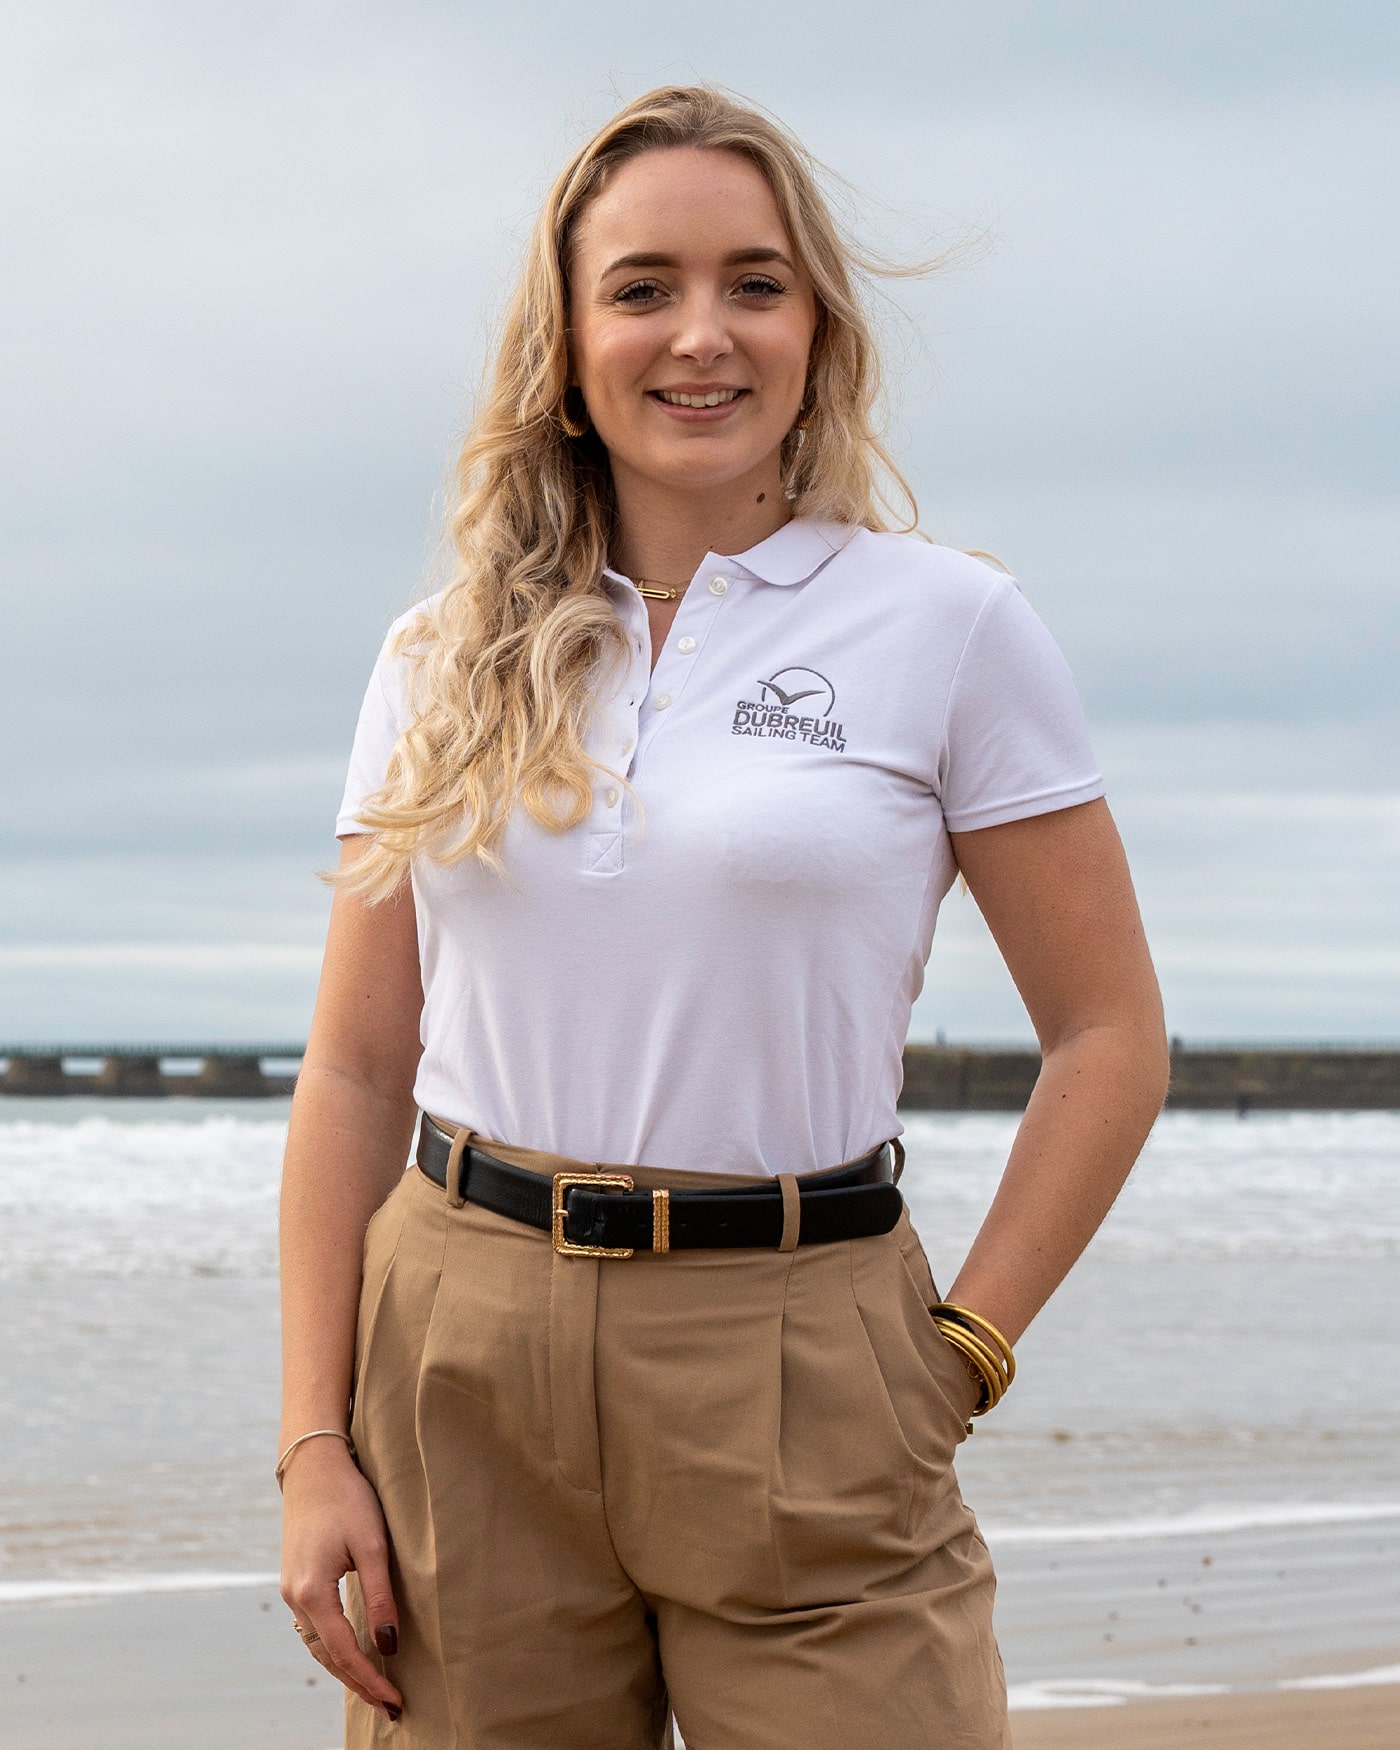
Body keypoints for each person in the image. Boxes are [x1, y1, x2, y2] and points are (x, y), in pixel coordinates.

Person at [276, 83, 1169, 1749]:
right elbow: (354, 1069)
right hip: (459, 1355)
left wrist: (963, 1349)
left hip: (807, 1348)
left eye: (756, 283)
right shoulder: (438, 652)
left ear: (817, 331)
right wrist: (313, 1442)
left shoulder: (949, 626)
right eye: (643, 288)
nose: (703, 334)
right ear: (567, 346)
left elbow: (1109, 1034)